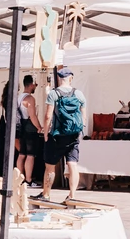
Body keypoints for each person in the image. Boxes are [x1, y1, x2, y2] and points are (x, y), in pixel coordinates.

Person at [41, 67, 86, 201]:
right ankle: (72, 195)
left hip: (57, 135)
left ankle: (46, 194)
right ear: (71, 78)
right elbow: (83, 117)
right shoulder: (79, 94)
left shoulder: (54, 94)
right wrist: (79, 130)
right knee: (72, 164)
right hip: (73, 135)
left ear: (60, 78)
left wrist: (45, 132)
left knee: (50, 166)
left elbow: (48, 116)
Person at [16, 74, 42, 185]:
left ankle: (20, 180)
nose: (35, 86)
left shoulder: (18, 98)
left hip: (20, 127)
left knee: (21, 154)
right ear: (31, 84)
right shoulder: (30, 98)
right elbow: (33, 116)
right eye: (35, 84)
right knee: (30, 155)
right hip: (30, 127)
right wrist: (39, 127)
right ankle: (29, 180)